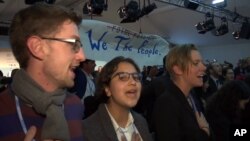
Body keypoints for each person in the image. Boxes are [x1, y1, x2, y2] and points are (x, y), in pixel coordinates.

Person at [0, 3, 85, 141]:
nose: (82, 56)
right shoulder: (3, 109)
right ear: (38, 47)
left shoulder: (75, 106)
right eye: (73, 44)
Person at [82, 56, 153, 141]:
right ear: (107, 88)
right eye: (123, 77)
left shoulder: (141, 122)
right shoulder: (87, 130)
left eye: (136, 77)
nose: (133, 82)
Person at [152, 44, 211, 141]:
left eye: (202, 62)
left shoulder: (192, 96)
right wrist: (205, 131)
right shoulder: (166, 103)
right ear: (178, 69)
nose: (204, 67)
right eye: (196, 63)